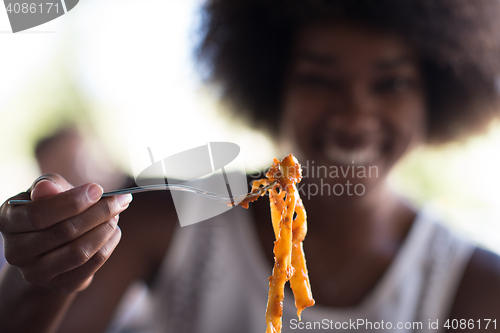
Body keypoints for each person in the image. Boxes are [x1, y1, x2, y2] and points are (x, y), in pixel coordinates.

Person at [1, 0, 500, 332]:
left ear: (434, 96)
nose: (353, 114)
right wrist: (44, 274)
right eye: (319, 80)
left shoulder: (477, 284)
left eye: (390, 85)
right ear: (273, 88)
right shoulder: (174, 219)